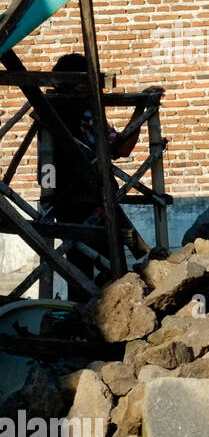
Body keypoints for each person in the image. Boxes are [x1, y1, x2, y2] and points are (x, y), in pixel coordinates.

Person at [43, 53, 160, 293]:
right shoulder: (85, 114)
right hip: (93, 201)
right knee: (113, 268)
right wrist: (140, 108)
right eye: (91, 81)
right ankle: (112, 315)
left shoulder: (49, 110)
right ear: (79, 84)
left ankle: (81, 320)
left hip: (61, 201)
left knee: (77, 268)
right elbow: (122, 148)